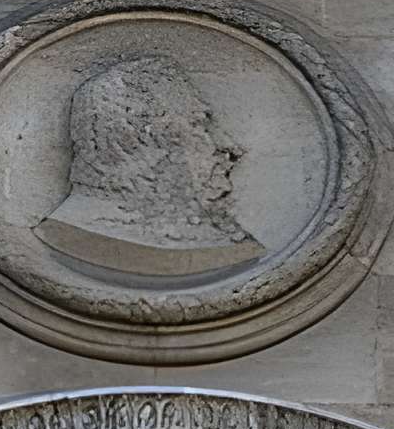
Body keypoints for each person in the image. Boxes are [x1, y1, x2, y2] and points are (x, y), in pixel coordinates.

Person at [36, 57, 262, 276]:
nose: (231, 149)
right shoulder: (90, 234)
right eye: (199, 124)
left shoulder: (201, 239)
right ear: (134, 141)